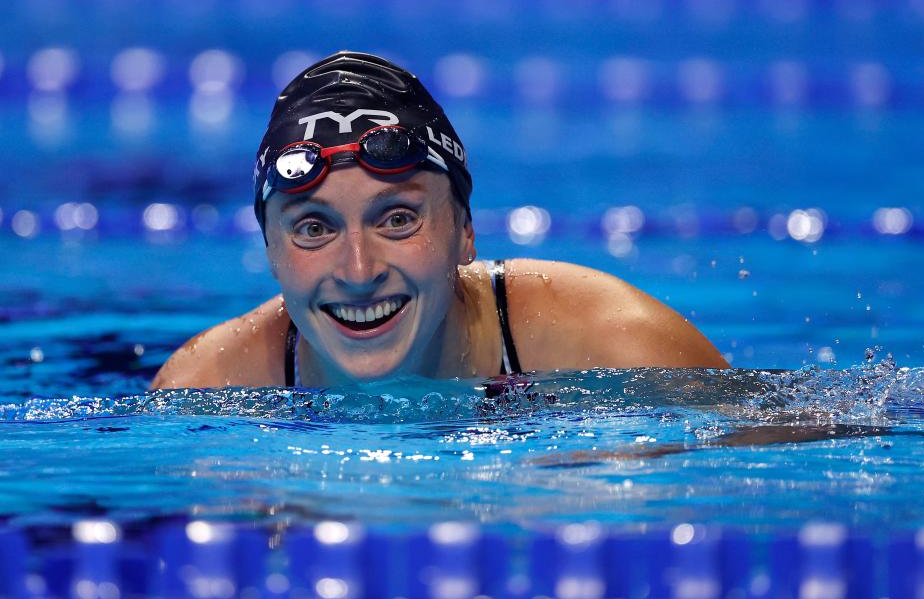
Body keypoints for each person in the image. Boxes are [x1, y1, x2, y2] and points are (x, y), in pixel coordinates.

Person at [151, 51, 728, 390]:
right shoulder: (204, 387)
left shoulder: (614, 346)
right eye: (314, 228)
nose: (358, 270)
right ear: (272, 251)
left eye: (397, 219)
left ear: (465, 231)